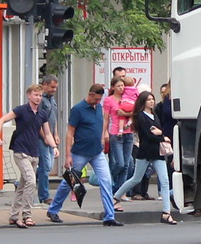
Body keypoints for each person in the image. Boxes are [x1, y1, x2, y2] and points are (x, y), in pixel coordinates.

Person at [46, 84, 124, 227]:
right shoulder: (78, 109)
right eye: (96, 99)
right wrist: (68, 155)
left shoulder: (99, 108)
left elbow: (100, 126)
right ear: (90, 94)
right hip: (80, 153)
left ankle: (109, 216)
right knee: (69, 182)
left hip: (97, 152)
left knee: (106, 181)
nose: (98, 102)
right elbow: (70, 133)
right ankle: (53, 209)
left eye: (100, 99)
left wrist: (102, 139)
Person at [0, 84, 58, 228]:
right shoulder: (21, 110)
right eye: (35, 95)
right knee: (30, 181)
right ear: (29, 95)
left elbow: (47, 133)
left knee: (23, 185)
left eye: (40, 95)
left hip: (33, 153)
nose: (38, 98)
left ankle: (14, 215)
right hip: (20, 151)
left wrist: (54, 147)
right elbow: (2, 120)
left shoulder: (42, 114)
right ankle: (26, 215)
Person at [114, 91, 175, 224]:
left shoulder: (154, 115)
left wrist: (161, 132)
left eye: (152, 99)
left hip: (157, 152)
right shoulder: (140, 116)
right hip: (146, 151)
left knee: (164, 181)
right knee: (136, 178)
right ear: (143, 102)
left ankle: (166, 212)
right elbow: (148, 135)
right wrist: (162, 136)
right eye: (148, 100)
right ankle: (115, 197)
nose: (151, 102)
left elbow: (158, 129)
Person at [103, 77, 135, 198]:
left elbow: (136, 111)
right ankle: (109, 178)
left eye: (122, 86)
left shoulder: (127, 98)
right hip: (115, 133)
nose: (121, 88)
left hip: (128, 132)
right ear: (113, 88)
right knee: (120, 163)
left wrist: (126, 114)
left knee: (126, 165)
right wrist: (104, 133)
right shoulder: (109, 100)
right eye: (118, 86)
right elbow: (106, 118)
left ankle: (121, 192)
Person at [36, 74, 61, 204]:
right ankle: (44, 196)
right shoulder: (40, 100)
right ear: (44, 85)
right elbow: (38, 120)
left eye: (55, 87)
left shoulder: (52, 99)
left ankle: (22, 181)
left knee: (47, 166)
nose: (54, 89)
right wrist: (44, 136)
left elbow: (53, 118)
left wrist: (55, 134)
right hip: (41, 138)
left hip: (50, 136)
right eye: (52, 87)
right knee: (45, 167)